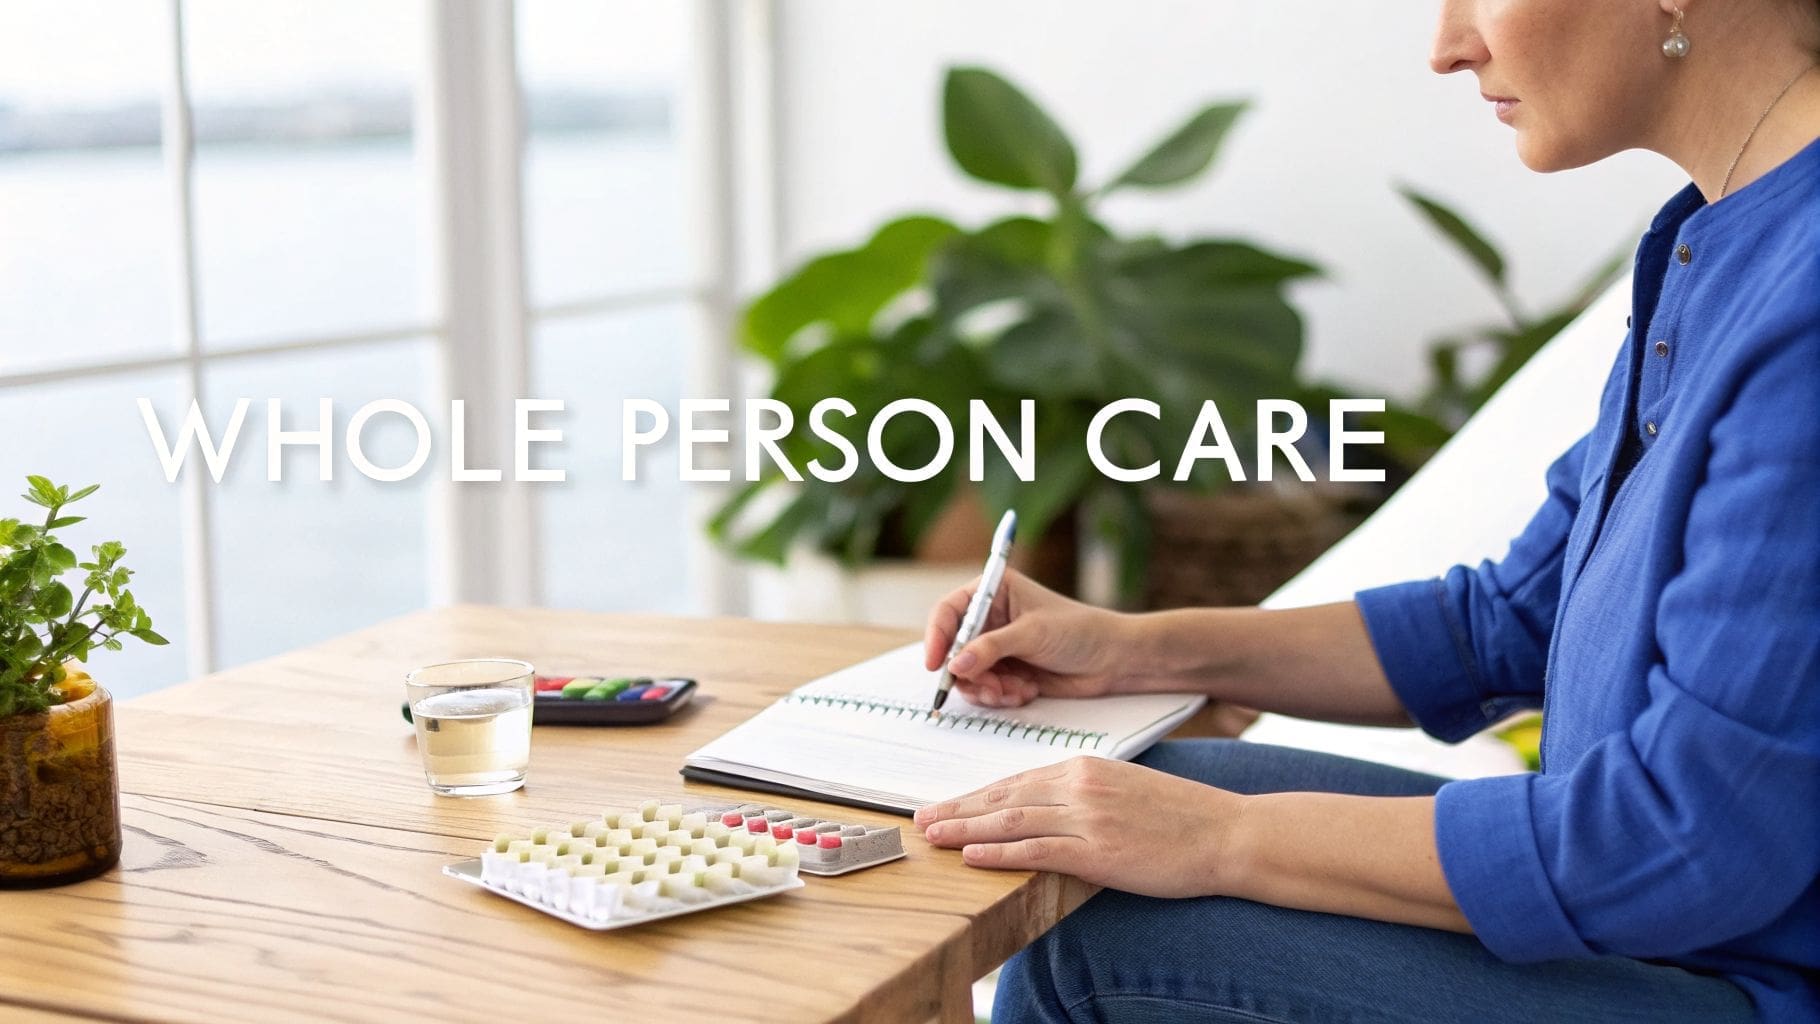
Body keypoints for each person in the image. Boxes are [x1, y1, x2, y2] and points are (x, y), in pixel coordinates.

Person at [914, 0, 1820, 1019]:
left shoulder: (1804, 301)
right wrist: (1130, 647)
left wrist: (1217, 841)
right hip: (1681, 931)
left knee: (1101, 948)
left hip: (1748, 982)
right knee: (1140, 778)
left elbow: (1684, 841)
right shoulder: (1712, 239)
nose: (1445, 47)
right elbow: (1510, 618)